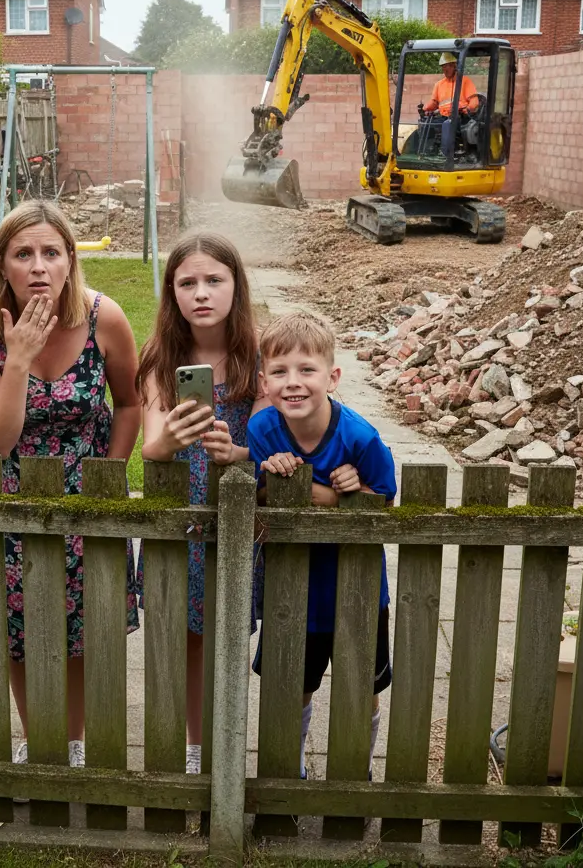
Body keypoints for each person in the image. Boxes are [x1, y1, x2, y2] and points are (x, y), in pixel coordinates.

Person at [0, 200, 141, 769]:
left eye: (51, 253)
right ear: (2, 265)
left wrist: (108, 474)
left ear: (69, 262)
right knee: (16, 628)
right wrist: (18, 360)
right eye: (23, 254)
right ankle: (38, 737)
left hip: (86, 501)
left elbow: (131, 402)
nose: (38, 266)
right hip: (10, 499)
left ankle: (75, 740)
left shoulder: (104, 318)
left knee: (82, 626)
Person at [136, 232, 266, 775]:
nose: (201, 293)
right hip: (182, 523)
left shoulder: (257, 358)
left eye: (215, 280)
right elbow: (149, 447)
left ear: (237, 286)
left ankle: (228, 735)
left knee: (234, 634)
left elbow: (271, 442)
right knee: (189, 639)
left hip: (242, 525)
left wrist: (236, 452)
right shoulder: (160, 360)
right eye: (187, 283)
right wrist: (172, 435)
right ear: (172, 293)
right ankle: (195, 747)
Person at [247, 310, 396, 780]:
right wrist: (270, 481)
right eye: (279, 371)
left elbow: (384, 504)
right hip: (292, 592)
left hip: (357, 591)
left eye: (306, 370)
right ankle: (291, 772)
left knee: (361, 687)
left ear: (332, 377)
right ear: (264, 381)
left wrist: (341, 494)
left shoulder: (360, 437)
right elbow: (254, 501)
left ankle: (357, 769)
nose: (293, 382)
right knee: (293, 686)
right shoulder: (262, 432)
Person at [422, 52, 479, 156]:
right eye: (443, 67)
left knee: (447, 125)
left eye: (447, 66)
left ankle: (445, 155)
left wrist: (466, 108)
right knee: (424, 123)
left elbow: (474, 102)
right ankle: (426, 152)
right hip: (444, 116)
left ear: (454, 65)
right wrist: (425, 108)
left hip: (461, 117)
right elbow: (434, 102)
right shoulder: (439, 84)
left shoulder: (464, 81)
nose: (445, 69)